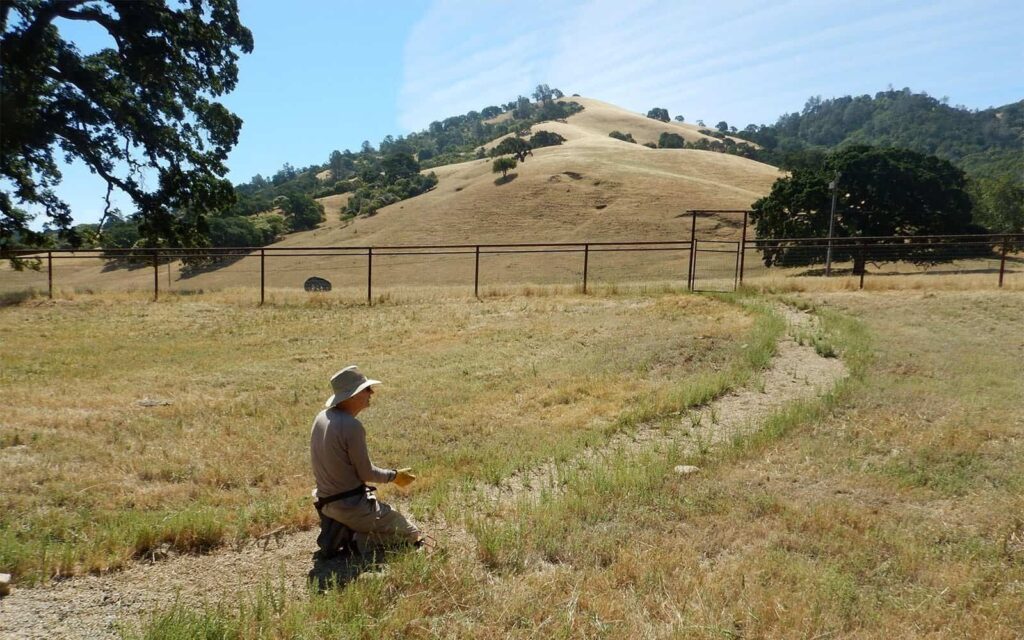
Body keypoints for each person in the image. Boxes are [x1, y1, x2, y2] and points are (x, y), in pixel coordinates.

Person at [310, 365, 421, 557]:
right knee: (412, 534)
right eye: (366, 389)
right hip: (350, 506)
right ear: (352, 396)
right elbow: (366, 473)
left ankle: (341, 528)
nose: (372, 392)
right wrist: (395, 476)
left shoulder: (322, 417)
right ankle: (356, 540)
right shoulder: (351, 426)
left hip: (325, 502)